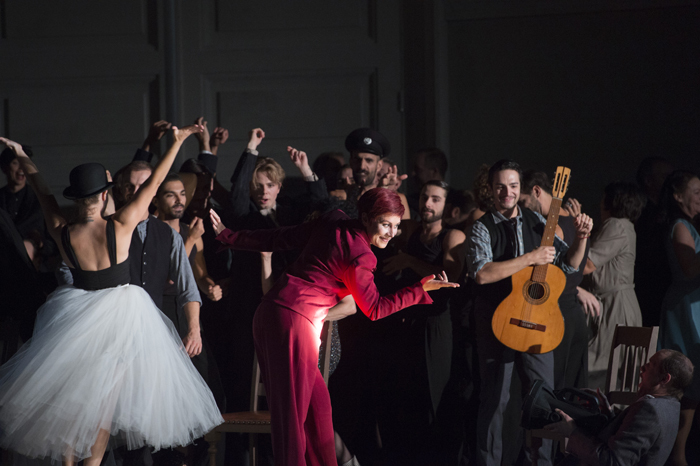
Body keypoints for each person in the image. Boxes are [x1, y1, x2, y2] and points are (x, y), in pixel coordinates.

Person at [0, 129, 222, 466]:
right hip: (121, 315)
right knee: (104, 404)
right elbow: (155, 181)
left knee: (76, 402)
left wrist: (21, 154)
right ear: (105, 194)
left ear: (77, 197)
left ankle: (71, 463)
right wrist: (178, 141)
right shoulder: (120, 224)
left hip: (76, 315)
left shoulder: (62, 231)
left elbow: (42, 191)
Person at [210, 174, 459, 466]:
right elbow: (375, 309)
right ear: (366, 218)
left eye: (396, 226)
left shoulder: (333, 220)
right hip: (293, 322)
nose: (392, 233)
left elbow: (281, 237)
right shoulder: (362, 256)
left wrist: (231, 236)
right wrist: (419, 290)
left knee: (319, 411)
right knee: (292, 419)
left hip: (274, 314)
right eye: (385, 224)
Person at [466, 159, 592, 466]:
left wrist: (582, 237)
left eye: (512, 186)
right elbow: (481, 273)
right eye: (500, 187)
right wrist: (531, 258)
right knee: (496, 401)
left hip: (538, 322)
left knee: (542, 399)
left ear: (521, 188)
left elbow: (567, 268)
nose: (507, 193)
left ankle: (541, 463)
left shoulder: (538, 221)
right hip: (498, 321)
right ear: (491, 189)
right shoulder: (483, 226)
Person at [544, 349, 693, 466]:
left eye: (650, 365)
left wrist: (571, 431)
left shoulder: (651, 410)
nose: (642, 368)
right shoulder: (672, 405)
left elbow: (613, 461)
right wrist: (608, 413)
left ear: (664, 379)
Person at [520, 170, 591, 389]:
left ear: (536, 191)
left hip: (556, 315)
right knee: (569, 389)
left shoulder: (550, 229)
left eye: (522, 200)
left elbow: (560, 270)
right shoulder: (575, 221)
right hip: (574, 314)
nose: (521, 207)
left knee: (551, 390)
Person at [583, 181, 646, 390]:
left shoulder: (616, 224)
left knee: (601, 367)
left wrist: (577, 233)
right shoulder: (626, 226)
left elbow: (587, 264)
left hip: (614, 306)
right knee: (618, 372)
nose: (600, 204)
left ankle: (597, 419)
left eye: (604, 199)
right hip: (620, 302)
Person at [656, 170, 700, 466]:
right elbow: (690, 270)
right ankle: (677, 455)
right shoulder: (680, 225)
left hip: (694, 305)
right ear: (678, 196)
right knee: (686, 380)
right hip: (685, 309)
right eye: (696, 192)